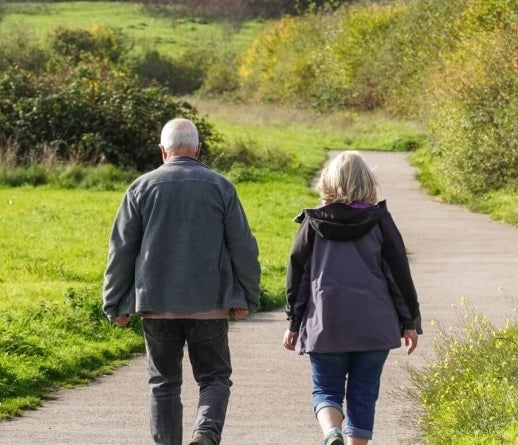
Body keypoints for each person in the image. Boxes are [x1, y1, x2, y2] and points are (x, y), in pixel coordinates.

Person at [103, 118, 261, 445]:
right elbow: (243, 247)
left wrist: (115, 303)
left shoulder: (141, 188)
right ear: (198, 150)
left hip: (156, 303)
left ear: (163, 151)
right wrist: (248, 296)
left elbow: (121, 249)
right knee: (215, 377)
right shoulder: (221, 187)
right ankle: (205, 432)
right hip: (210, 304)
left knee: (163, 384)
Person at [282, 150, 422, 445]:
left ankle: (331, 432)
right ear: (367, 182)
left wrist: (294, 323)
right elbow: (398, 275)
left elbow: (298, 277)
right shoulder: (380, 222)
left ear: (329, 182)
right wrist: (409, 322)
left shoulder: (313, 224)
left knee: (325, 390)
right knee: (364, 393)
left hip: (326, 324)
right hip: (374, 325)